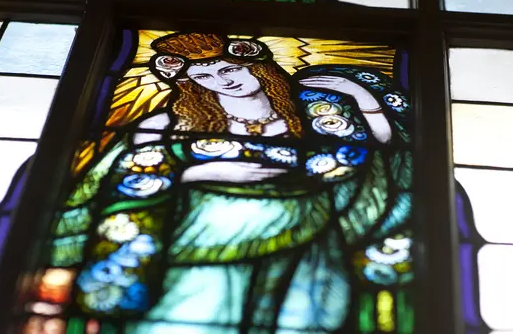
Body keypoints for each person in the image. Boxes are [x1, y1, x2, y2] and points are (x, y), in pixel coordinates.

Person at [54, 32, 414, 332]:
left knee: (302, 319)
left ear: (257, 67)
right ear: (192, 84)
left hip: (309, 236)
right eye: (205, 77)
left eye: (229, 69)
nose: (223, 80)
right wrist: (202, 172)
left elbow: (380, 146)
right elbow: (137, 175)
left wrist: (362, 97)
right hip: (206, 240)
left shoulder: (314, 111)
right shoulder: (168, 125)